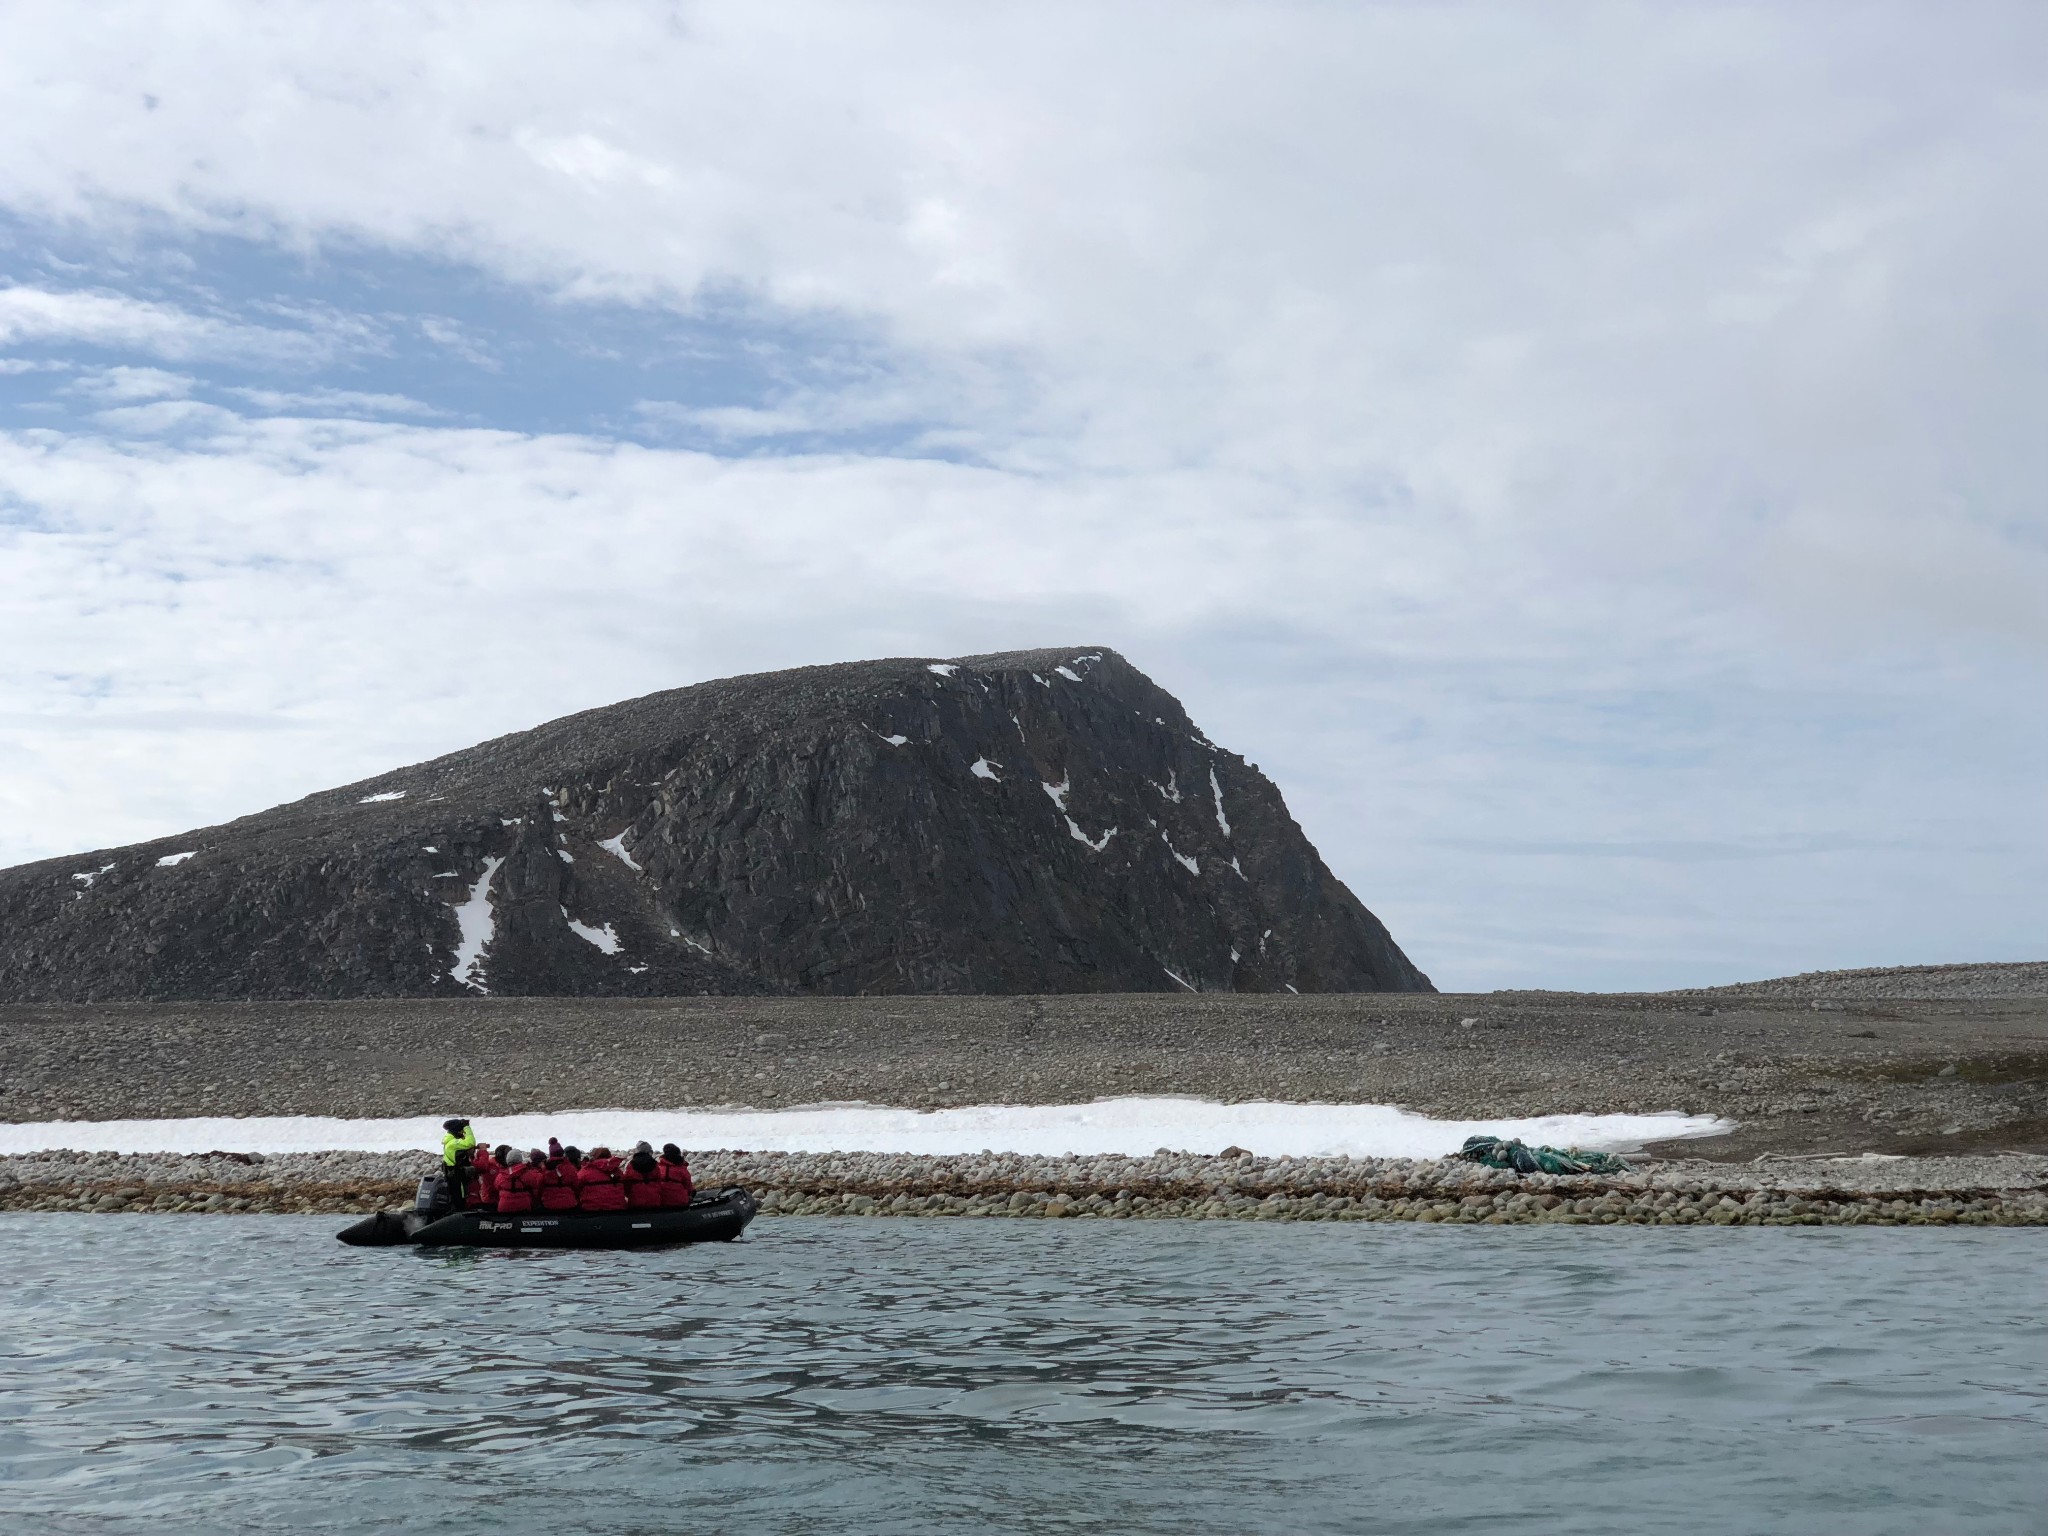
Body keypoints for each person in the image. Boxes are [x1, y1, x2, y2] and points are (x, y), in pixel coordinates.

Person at [576, 1145, 627, 1211]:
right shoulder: (617, 1171)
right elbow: (626, 1188)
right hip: (618, 1210)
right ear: (609, 1156)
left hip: (591, 1211)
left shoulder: (585, 1171)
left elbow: (575, 1188)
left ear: (594, 1157)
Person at [440, 1117, 477, 1209]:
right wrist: (467, 1128)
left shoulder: (450, 1142)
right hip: (456, 1175)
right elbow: (470, 1142)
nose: (463, 1134)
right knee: (460, 1197)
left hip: (454, 1174)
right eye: (461, 1131)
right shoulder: (452, 1143)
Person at [496, 1150, 546, 1214]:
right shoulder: (527, 1174)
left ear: (507, 1160)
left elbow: (496, 1186)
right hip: (523, 1206)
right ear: (520, 1160)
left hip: (504, 1206)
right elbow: (534, 1186)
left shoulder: (501, 1175)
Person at [538, 1145, 581, 1212]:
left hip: (548, 1205)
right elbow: (576, 1186)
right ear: (562, 1154)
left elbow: (540, 1187)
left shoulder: (545, 1169)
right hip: (569, 1204)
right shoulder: (570, 1168)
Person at [622, 1142, 664, 1209]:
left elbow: (626, 1183)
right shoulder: (655, 1164)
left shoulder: (631, 1164)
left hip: (635, 1200)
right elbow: (659, 1181)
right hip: (653, 1199)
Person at [465, 1143, 502, 1208]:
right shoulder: (491, 1166)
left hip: (478, 1198)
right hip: (483, 1200)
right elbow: (481, 1166)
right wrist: (482, 1151)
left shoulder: (462, 1160)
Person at [658, 1143, 693, 1207]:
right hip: (680, 1201)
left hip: (662, 1202)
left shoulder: (659, 1168)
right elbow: (689, 1187)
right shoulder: (681, 1169)